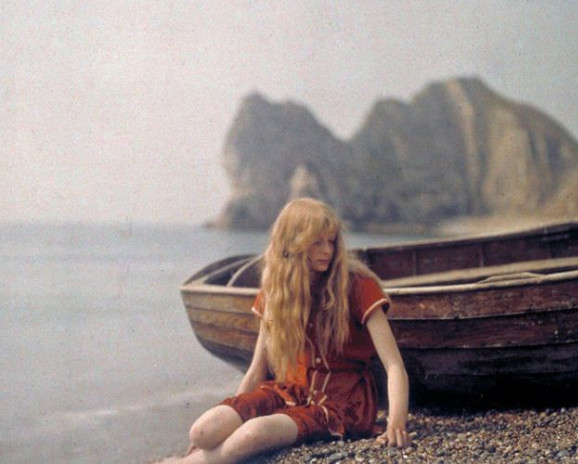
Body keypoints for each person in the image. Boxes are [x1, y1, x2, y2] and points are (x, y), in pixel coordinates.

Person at [163, 198, 410, 463]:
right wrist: (231, 420)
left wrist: (396, 423)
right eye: (316, 242)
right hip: (290, 392)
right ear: (292, 244)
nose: (327, 250)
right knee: (202, 431)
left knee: (250, 435)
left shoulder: (358, 286)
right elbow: (257, 370)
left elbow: (394, 365)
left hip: (342, 403)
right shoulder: (276, 292)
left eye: (331, 241)